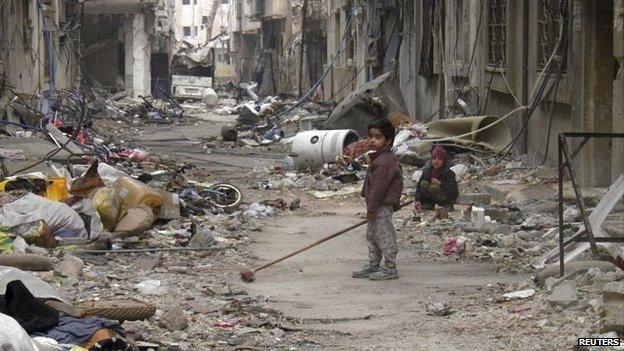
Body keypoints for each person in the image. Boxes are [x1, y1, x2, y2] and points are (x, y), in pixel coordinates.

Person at [352, 119, 404, 280]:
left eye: (378, 137)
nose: (372, 140)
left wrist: (372, 208)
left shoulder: (385, 161)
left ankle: (389, 268)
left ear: (387, 141)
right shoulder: (379, 158)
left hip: (381, 205)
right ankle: (374, 264)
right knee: (372, 235)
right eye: (370, 136)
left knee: (384, 235)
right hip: (376, 205)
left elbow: (379, 188)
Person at [415, 145, 458, 211]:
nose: (436, 161)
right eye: (434, 159)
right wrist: (418, 200)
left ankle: (447, 204)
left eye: (440, 159)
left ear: (444, 161)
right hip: (432, 196)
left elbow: (454, 191)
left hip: (445, 197)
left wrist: (440, 184)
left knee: (433, 187)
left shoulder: (448, 173)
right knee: (423, 183)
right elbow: (418, 187)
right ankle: (428, 203)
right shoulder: (427, 171)